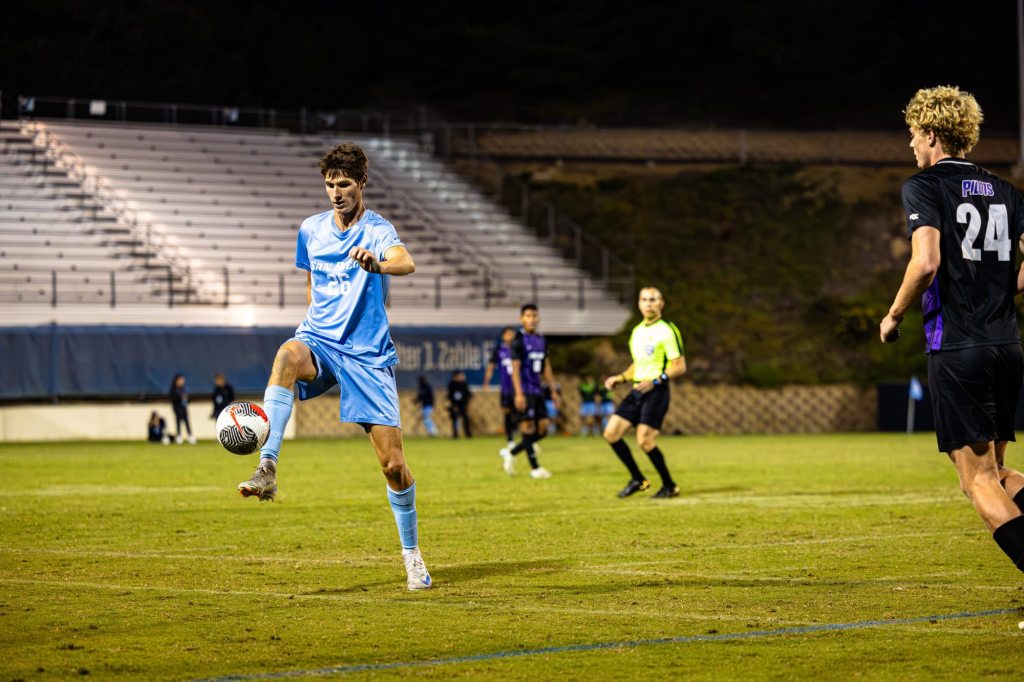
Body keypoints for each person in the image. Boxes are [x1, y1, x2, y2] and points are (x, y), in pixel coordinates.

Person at [237, 142, 431, 590]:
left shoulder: (379, 229)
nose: (336, 192)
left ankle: (412, 556)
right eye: (329, 185)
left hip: (366, 355)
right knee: (286, 354)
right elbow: (312, 280)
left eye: (344, 184)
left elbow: (407, 261)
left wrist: (378, 264)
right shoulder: (310, 229)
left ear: (361, 183)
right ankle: (267, 467)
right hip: (320, 340)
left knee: (393, 467)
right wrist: (313, 324)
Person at [879, 85, 1024, 577]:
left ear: (933, 134)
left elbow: (925, 263)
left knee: (978, 483)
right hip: (1007, 345)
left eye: (914, 135)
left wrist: (894, 315)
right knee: (999, 475)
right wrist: (1000, 289)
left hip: (958, 347)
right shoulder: (1006, 191)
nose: (911, 146)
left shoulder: (924, 186)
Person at [603, 287, 685, 498]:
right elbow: (637, 365)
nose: (648, 303)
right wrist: (620, 378)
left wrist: (657, 380)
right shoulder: (637, 332)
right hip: (637, 389)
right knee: (611, 433)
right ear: (639, 304)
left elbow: (679, 366)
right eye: (644, 300)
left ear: (661, 303)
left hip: (656, 391)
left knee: (644, 440)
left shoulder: (667, 330)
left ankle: (669, 485)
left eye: (653, 300)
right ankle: (638, 479)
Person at [499, 304, 560, 478]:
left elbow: (546, 366)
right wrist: (518, 393)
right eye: (528, 316)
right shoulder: (518, 340)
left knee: (543, 430)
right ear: (522, 319)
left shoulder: (541, 340)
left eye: (534, 316)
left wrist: (553, 390)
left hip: (538, 390)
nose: (531, 319)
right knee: (527, 428)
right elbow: (515, 368)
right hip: (523, 390)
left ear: (538, 318)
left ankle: (511, 453)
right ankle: (535, 469)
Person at [482, 326, 518, 448]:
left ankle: (528, 440)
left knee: (521, 413)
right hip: (506, 388)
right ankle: (510, 440)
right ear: (503, 336)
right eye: (508, 334)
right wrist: (486, 383)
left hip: (519, 388)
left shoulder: (519, 349)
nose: (510, 337)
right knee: (507, 413)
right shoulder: (499, 349)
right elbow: (491, 366)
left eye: (512, 334)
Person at [168, 373, 196, 445]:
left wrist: (186, 398)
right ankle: (179, 436)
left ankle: (190, 436)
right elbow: (173, 398)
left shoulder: (183, 389)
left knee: (186, 422)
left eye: (183, 380)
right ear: (177, 380)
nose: (182, 381)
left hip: (183, 408)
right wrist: (181, 397)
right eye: (181, 380)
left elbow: (187, 399)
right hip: (177, 408)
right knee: (178, 422)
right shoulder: (173, 389)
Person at [446, 370, 472, 438]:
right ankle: (455, 434)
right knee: (454, 419)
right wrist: (450, 404)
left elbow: (468, 395)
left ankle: (468, 434)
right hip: (454, 405)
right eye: (458, 376)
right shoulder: (451, 384)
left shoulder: (463, 384)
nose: (459, 377)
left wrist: (467, 404)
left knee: (465, 419)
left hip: (463, 405)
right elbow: (449, 395)